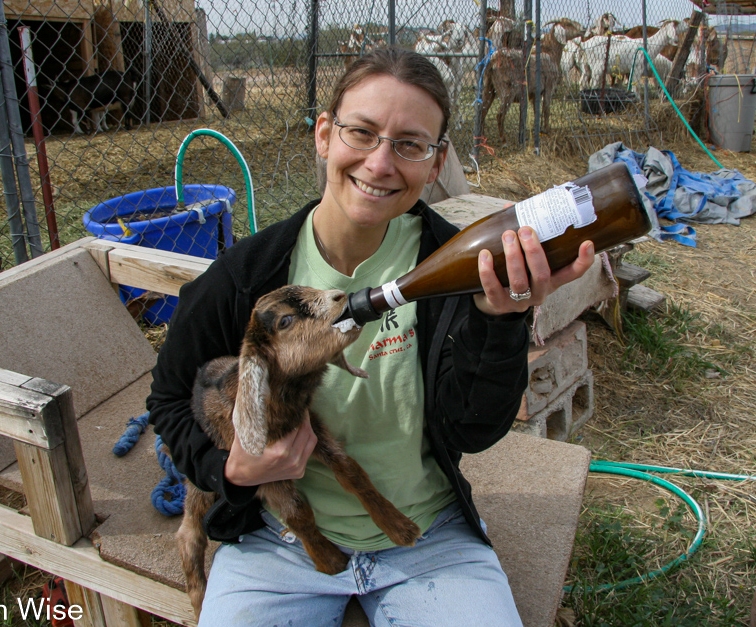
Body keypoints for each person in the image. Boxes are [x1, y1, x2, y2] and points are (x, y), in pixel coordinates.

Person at [146, 46, 595, 627]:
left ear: (435, 165)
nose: (381, 164)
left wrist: (499, 321)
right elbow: (167, 398)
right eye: (361, 133)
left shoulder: (455, 265)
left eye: (409, 144)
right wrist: (228, 472)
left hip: (430, 539)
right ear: (325, 135)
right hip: (275, 543)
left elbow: (474, 431)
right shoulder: (245, 279)